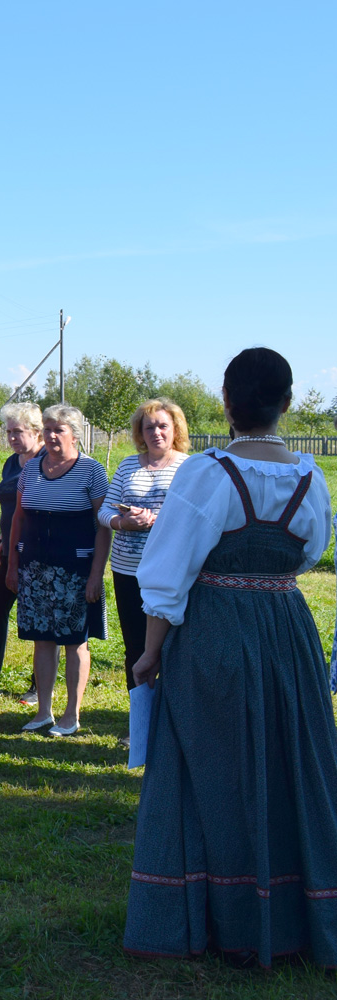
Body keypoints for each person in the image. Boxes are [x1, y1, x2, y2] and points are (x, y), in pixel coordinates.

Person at [125, 347, 337, 967]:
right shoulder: (310, 476)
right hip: (288, 628)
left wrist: (149, 655)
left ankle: (219, 915)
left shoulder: (206, 474)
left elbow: (166, 574)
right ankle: (297, 911)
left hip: (215, 627)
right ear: (287, 404)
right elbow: (308, 554)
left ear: (227, 403)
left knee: (208, 766)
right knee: (289, 761)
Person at [7, 404, 109, 737]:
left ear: (74, 435)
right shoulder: (31, 469)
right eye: (47, 428)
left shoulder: (91, 471)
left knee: (74, 641)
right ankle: (44, 712)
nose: (51, 435)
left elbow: (102, 527)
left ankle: (71, 715)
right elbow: (19, 518)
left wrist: (96, 574)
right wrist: (12, 564)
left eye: (59, 429)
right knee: (42, 639)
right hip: (35, 567)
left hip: (74, 569)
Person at [100, 399, 187, 693]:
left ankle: (170, 720)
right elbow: (104, 512)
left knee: (173, 645)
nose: (156, 432)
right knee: (135, 645)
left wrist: (156, 520)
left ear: (175, 429)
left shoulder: (189, 467)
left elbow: (194, 516)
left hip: (170, 569)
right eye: (149, 427)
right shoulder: (127, 466)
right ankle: (138, 719)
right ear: (140, 432)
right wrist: (123, 523)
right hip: (127, 569)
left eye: (163, 425)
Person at [0, 403, 43, 699]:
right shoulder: (12, 463)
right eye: (8, 431)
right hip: (9, 551)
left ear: (36, 432)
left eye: (17, 431)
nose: (11, 437)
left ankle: (38, 685)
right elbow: (8, 508)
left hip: (37, 552)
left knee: (37, 619)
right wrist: (1, 541)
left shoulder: (48, 462)